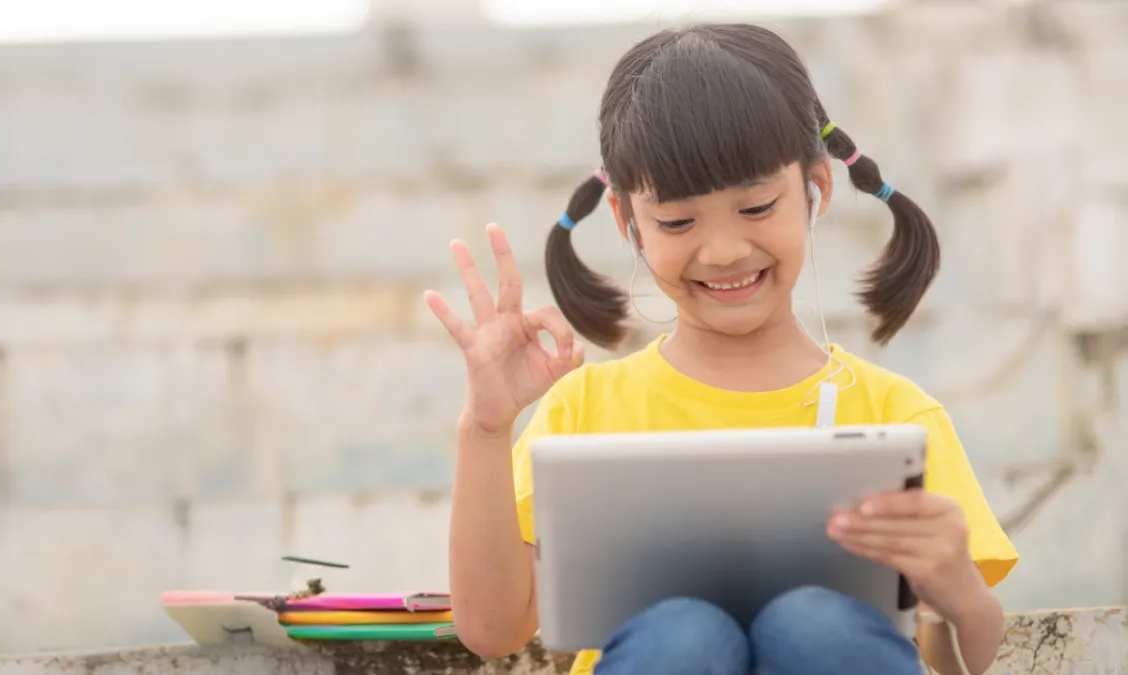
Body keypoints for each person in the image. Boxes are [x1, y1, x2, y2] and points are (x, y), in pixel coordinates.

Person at [424, 22, 1018, 675]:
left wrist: (958, 589)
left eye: (758, 207)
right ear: (629, 224)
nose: (725, 250)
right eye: (677, 221)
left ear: (816, 188)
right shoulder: (585, 410)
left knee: (814, 625)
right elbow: (490, 627)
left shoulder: (897, 416)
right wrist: (486, 427)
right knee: (683, 633)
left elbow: (965, 662)